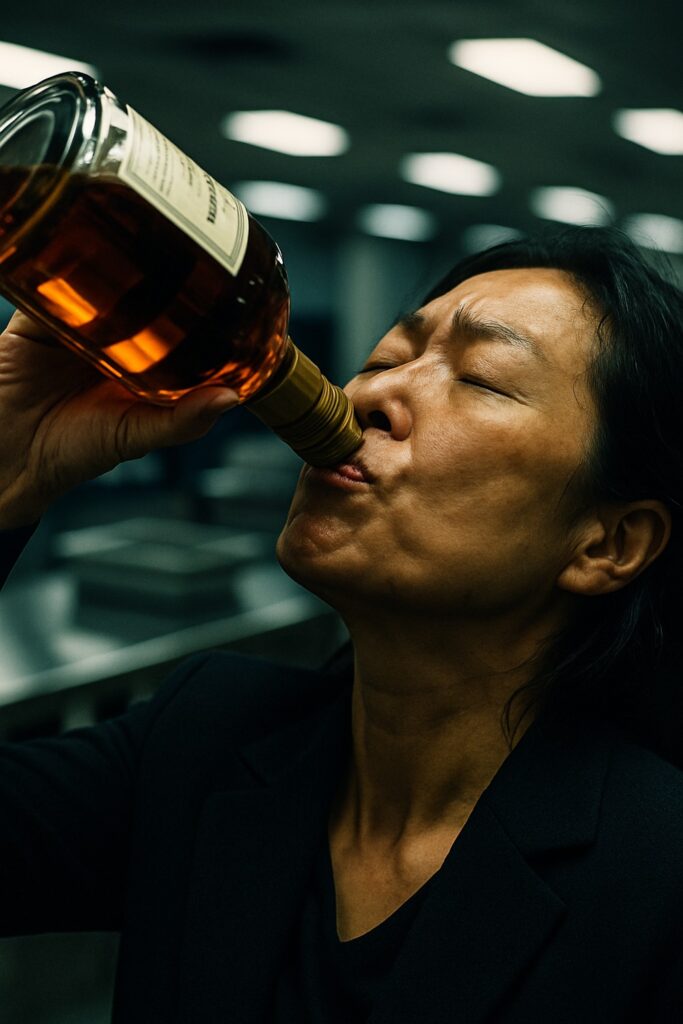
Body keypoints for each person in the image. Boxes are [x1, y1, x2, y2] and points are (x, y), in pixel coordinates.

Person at [0, 225, 682, 1023]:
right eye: (387, 357)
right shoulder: (205, 735)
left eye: (483, 379)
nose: (362, 396)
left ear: (609, 543)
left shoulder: (657, 875)